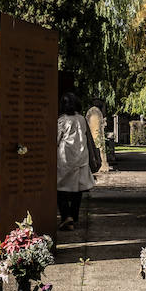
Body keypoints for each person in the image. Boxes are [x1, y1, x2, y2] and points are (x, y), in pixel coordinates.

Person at [55, 91, 97, 231]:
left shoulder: (62, 121)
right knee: (77, 191)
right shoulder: (81, 119)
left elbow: (57, 139)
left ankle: (66, 216)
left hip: (65, 159)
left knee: (59, 189)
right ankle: (73, 217)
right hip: (81, 158)